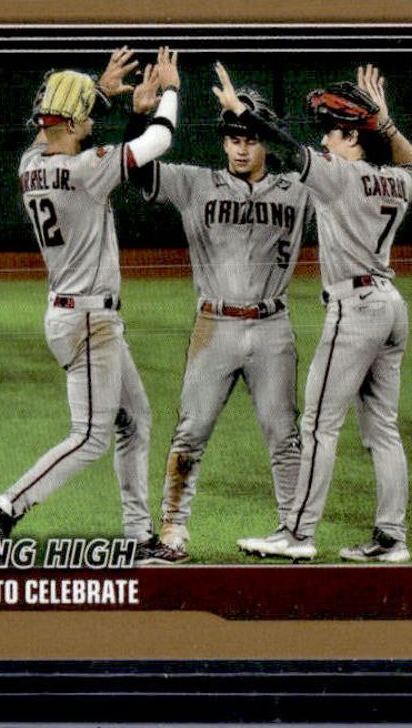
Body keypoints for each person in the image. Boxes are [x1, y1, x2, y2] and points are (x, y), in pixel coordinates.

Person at [0, 47, 187, 566]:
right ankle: (6, 506)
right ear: (69, 123)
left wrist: (98, 92)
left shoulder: (31, 163)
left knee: (135, 419)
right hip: (90, 320)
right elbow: (158, 140)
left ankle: (138, 538)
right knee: (90, 436)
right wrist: (171, 91)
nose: (92, 120)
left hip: (74, 312)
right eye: (85, 113)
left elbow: (58, 127)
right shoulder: (87, 169)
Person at [219, 62, 412, 562]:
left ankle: (296, 534)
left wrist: (241, 112)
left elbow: (288, 149)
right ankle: (392, 538)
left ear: (352, 138)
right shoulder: (394, 180)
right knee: (383, 429)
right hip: (390, 307)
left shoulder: (339, 175)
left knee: (318, 426)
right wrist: (386, 124)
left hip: (354, 311)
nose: (325, 140)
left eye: (333, 132)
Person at [127, 86, 309, 560]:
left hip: (272, 326)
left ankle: (293, 530)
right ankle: (172, 528)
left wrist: (254, 117)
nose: (242, 148)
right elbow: (138, 169)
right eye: (233, 139)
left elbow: (322, 166)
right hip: (214, 325)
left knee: (284, 435)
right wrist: (140, 117)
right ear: (224, 142)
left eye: (251, 138)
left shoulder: (298, 188)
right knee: (191, 431)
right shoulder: (195, 183)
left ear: (265, 140)